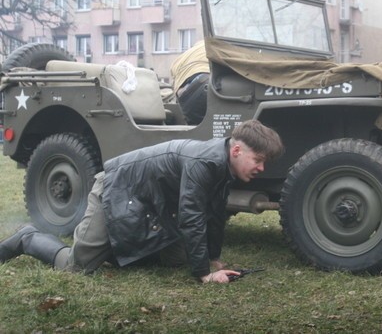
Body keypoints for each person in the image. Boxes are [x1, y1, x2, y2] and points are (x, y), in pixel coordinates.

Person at [0, 120, 284, 284]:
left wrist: (212, 258)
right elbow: (191, 216)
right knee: (76, 266)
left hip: (146, 205)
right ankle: (27, 237)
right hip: (115, 191)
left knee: (177, 258)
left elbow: (214, 215)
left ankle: (112, 249)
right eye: (258, 160)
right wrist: (204, 275)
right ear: (236, 150)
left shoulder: (224, 165)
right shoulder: (206, 162)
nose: (260, 168)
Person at [170, 41, 210, 125]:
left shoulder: (185, 55)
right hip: (204, 84)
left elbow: (173, 75)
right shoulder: (215, 46)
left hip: (186, 93)